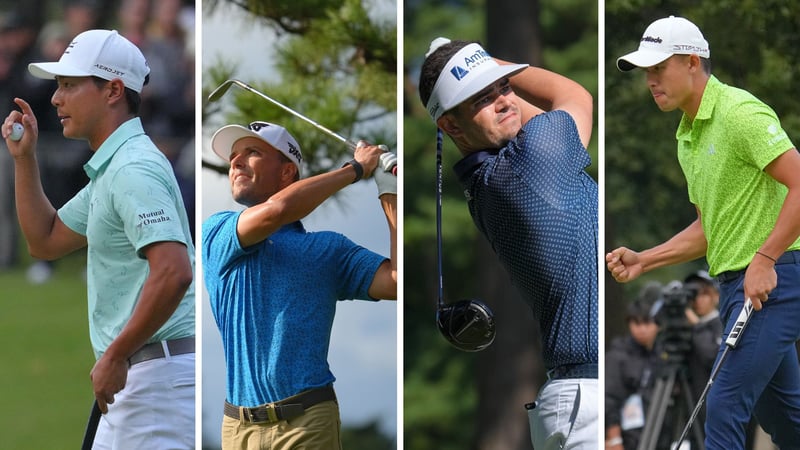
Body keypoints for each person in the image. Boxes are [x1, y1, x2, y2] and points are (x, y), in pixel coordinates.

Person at [608, 15, 800, 449]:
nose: (650, 81)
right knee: (785, 418)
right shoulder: (687, 137)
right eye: (646, 73)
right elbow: (709, 229)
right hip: (737, 286)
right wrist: (646, 259)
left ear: (692, 62)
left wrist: (766, 259)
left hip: (775, 281)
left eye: (659, 69)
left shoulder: (739, 112)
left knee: (725, 404)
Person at [2, 29, 195, 448]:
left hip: (154, 384)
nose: (55, 99)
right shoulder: (114, 169)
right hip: (145, 378)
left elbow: (174, 271)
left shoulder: (132, 170)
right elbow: (46, 240)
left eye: (69, 85)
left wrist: (116, 354)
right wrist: (25, 159)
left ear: (112, 90)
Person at [418, 37, 598, 449]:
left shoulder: (495, 177)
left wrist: (476, 66)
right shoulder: (534, 162)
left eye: (504, 87)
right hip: (585, 400)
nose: (504, 101)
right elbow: (573, 95)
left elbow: (522, 117)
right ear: (450, 125)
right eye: (483, 98)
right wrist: (493, 61)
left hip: (577, 398)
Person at [202, 121, 397, 449]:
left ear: (286, 172)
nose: (235, 162)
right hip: (238, 430)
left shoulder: (328, 250)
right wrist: (355, 169)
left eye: (252, 152)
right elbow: (276, 211)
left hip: (307, 422)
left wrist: (388, 191)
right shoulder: (216, 231)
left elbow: (395, 282)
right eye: (234, 155)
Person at [605, 297, 662, 450]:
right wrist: (614, 439)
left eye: (647, 323)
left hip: (660, 431)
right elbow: (609, 399)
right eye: (637, 323)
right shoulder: (617, 355)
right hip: (628, 436)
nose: (642, 329)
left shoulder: (663, 354)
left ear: (658, 325)